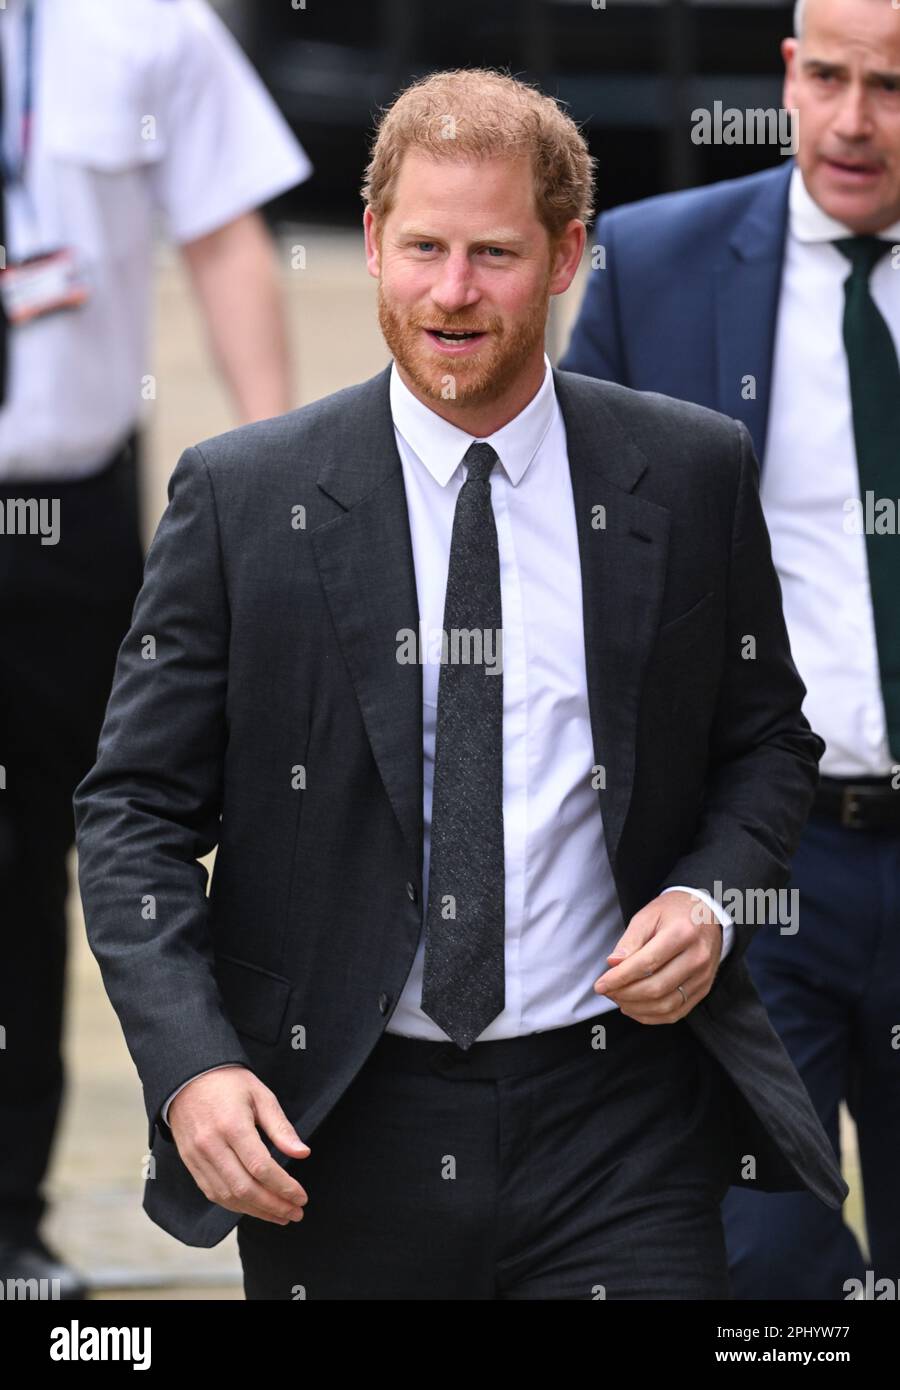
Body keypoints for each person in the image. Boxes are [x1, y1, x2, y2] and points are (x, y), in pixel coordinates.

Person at [73, 66, 846, 1301]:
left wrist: (711, 901)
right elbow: (132, 817)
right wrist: (190, 1066)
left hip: (621, 1123)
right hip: (335, 1128)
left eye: (494, 252)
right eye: (424, 245)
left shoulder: (688, 472)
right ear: (373, 242)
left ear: (565, 254)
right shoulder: (241, 497)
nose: (452, 291)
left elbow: (766, 744)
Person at [559, 0, 900, 1301]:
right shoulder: (659, 266)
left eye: (892, 85)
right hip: (765, 869)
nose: (855, 120)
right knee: (761, 1267)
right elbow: (569, 555)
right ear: (788, 75)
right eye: (829, 77)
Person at [0, 0, 311, 1297]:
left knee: (58, 861)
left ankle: (11, 1218)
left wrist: (297, 485)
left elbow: (227, 236)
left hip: (65, 517)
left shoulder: (146, 22)